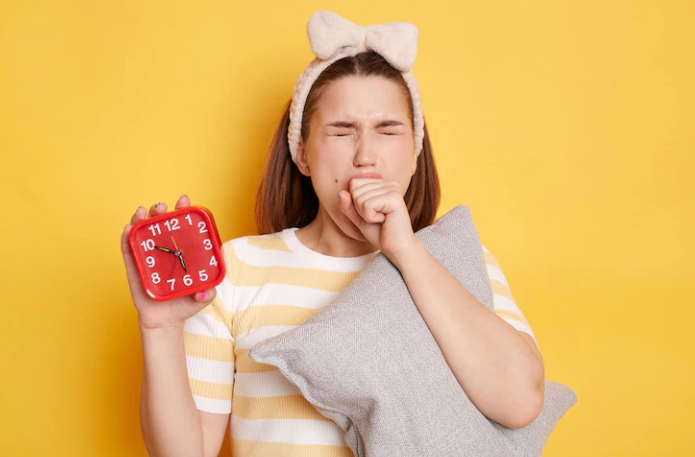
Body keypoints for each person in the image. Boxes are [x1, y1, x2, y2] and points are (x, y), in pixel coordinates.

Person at [120, 10, 541, 457]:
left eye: (388, 130)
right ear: (302, 154)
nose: (365, 156)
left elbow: (520, 403)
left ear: (415, 152)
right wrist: (159, 328)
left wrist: (404, 251)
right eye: (342, 131)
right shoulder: (238, 271)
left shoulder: (459, 260)